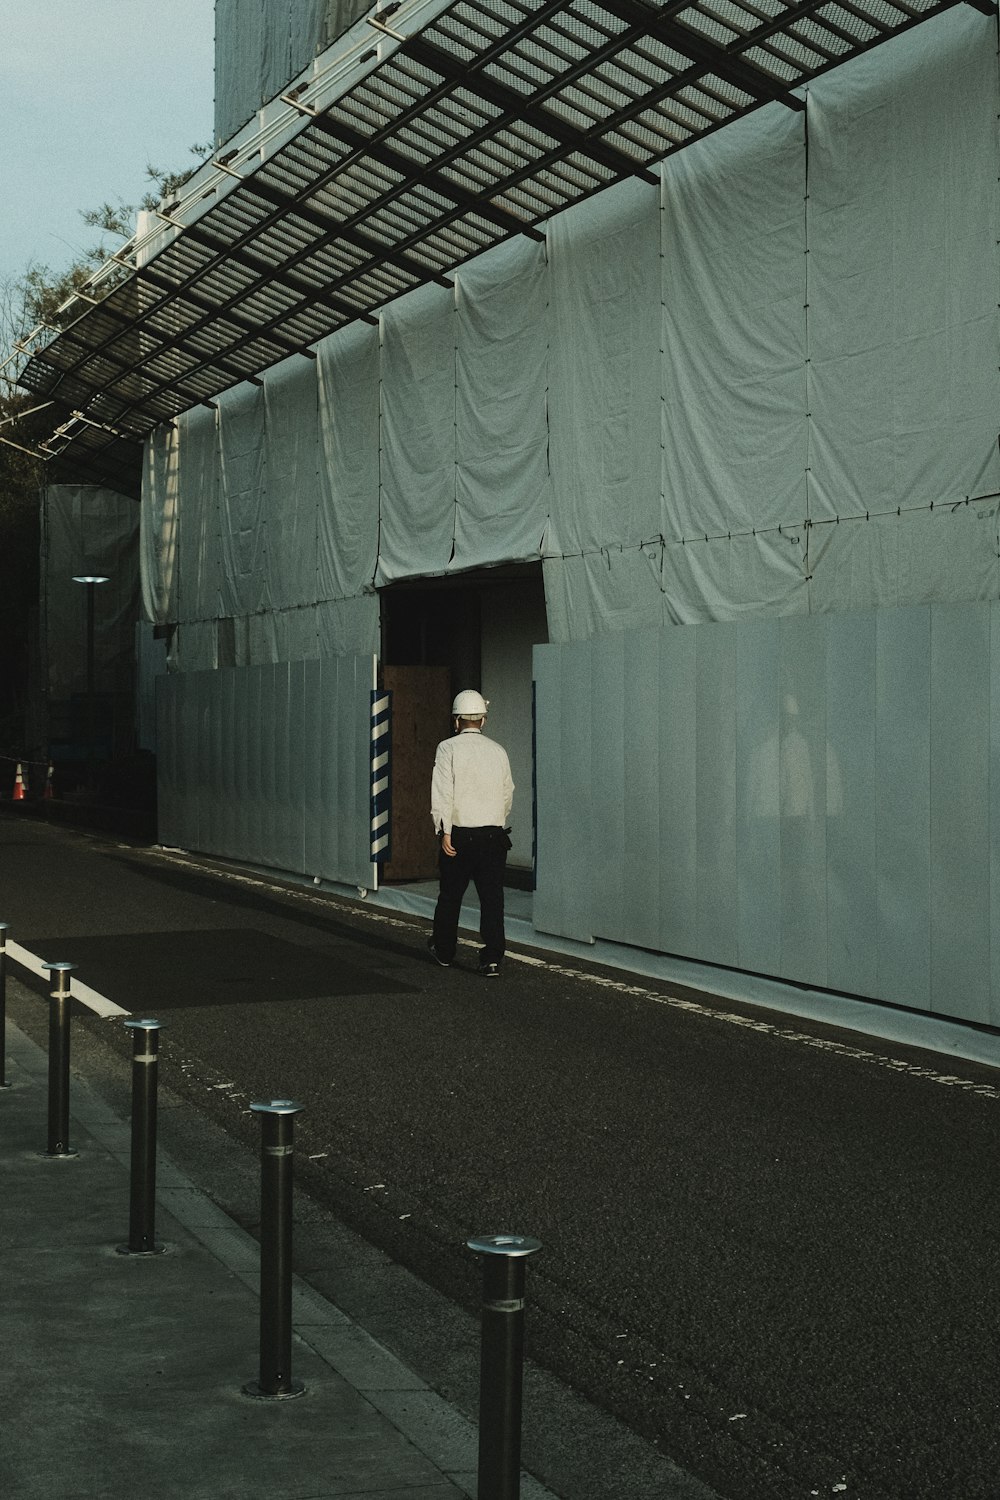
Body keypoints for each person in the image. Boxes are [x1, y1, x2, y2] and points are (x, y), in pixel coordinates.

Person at [428, 689, 514, 977]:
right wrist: (495, 820)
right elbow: (507, 793)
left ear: (456, 721)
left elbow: (443, 793)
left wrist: (444, 830)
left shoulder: (447, 748)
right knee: (492, 898)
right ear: (483, 720)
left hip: (460, 835)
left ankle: (444, 950)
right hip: (493, 836)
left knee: (451, 895)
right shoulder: (498, 750)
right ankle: (491, 958)